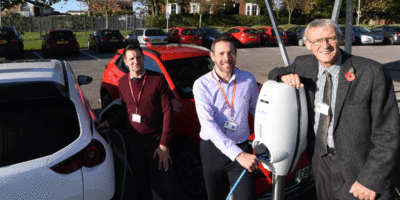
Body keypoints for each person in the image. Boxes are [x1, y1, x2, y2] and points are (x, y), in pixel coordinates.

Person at [268, 19, 400, 200]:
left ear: (340, 38)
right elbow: (275, 71)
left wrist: (371, 179)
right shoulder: (304, 65)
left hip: (359, 168)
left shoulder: (372, 72)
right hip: (321, 161)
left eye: (330, 38)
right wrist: (284, 75)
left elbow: (388, 133)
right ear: (307, 44)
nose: (325, 45)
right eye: (316, 41)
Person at [96, 44, 174, 200]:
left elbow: (168, 111)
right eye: (131, 58)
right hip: (134, 142)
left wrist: (164, 144)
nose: (135, 61)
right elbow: (125, 109)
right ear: (125, 61)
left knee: (166, 185)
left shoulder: (157, 80)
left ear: (143, 58)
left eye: (138, 57)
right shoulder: (123, 82)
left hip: (156, 142)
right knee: (141, 183)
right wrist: (108, 123)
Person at [193, 36, 260, 200]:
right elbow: (208, 124)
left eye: (230, 53)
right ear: (212, 56)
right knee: (214, 196)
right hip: (212, 151)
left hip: (241, 147)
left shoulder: (248, 79)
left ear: (236, 54)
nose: (226, 58)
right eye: (221, 53)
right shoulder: (201, 84)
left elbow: (258, 111)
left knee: (246, 197)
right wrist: (238, 155)